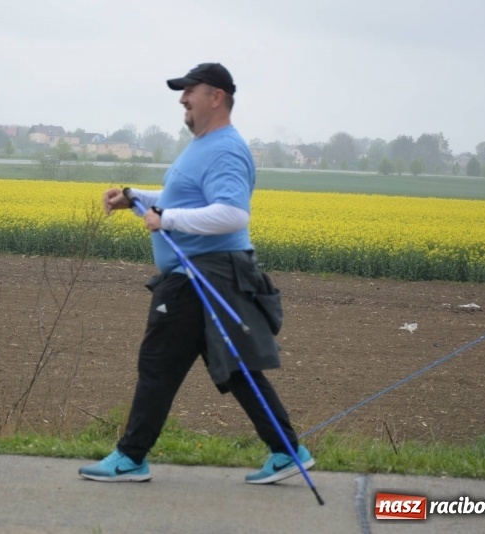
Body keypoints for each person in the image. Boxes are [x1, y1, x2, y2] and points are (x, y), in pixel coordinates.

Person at [79, 63, 314, 484]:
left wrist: (166, 219)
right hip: (202, 274)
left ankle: (131, 457)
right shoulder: (204, 145)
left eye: (190, 91)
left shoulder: (225, 148)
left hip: (201, 276)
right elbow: (180, 200)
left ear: (216, 96)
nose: (182, 99)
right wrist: (135, 198)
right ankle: (287, 451)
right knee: (236, 365)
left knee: (158, 363)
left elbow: (231, 213)